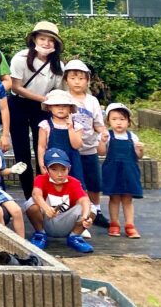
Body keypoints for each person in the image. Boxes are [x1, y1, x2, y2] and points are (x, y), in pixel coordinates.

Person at [6, 21, 64, 200]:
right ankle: (28, 196)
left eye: (50, 40)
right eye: (42, 39)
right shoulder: (20, 58)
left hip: (43, 109)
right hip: (19, 104)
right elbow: (15, 87)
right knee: (21, 151)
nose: (46, 43)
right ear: (34, 40)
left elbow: (57, 90)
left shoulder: (58, 65)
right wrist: (42, 99)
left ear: (56, 44)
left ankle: (42, 192)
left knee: (43, 148)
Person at [64, 59, 108, 227]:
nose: (77, 82)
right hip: (70, 149)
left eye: (81, 78)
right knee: (76, 182)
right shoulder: (63, 98)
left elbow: (98, 123)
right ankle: (77, 212)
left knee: (94, 182)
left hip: (89, 148)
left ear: (88, 80)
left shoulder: (92, 101)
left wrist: (103, 132)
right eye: (73, 78)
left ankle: (96, 211)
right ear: (66, 80)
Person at [25, 148, 95, 253]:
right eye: (54, 169)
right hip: (46, 221)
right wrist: (46, 208)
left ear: (69, 168)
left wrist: (85, 217)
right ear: (46, 169)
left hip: (67, 222)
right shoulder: (40, 179)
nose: (60, 174)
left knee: (91, 208)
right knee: (31, 204)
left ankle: (75, 237)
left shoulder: (74, 182)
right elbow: (36, 194)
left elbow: (84, 200)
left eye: (63, 169)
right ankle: (40, 234)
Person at [98, 103, 144, 238]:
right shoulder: (107, 136)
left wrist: (140, 150)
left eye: (122, 119)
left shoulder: (132, 137)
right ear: (108, 121)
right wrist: (102, 142)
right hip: (113, 171)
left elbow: (138, 156)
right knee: (114, 198)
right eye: (114, 119)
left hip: (129, 172)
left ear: (128, 122)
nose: (118, 122)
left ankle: (130, 225)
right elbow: (101, 152)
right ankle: (114, 224)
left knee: (128, 199)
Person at [37, 89, 85, 186]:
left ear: (70, 108)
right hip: (52, 162)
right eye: (57, 105)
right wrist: (42, 165)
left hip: (72, 163)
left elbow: (76, 145)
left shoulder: (77, 126)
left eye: (65, 106)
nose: (61, 108)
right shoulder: (45, 125)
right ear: (49, 107)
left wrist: (70, 127)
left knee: (74, 188)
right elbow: (41, 147)